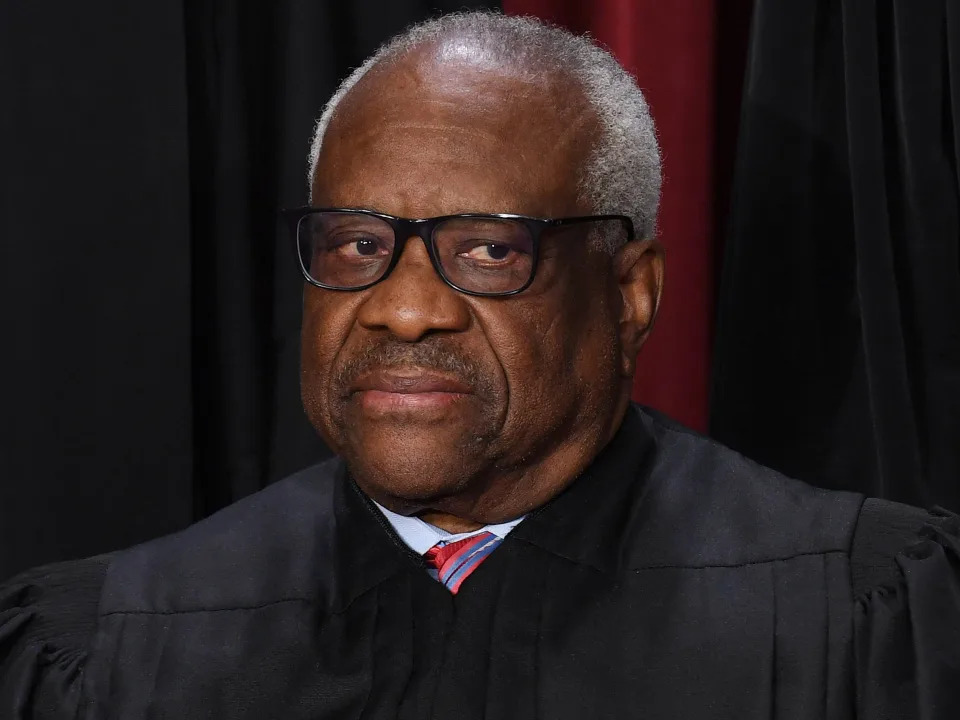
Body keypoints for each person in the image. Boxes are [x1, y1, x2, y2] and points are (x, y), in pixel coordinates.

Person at [2, 11, 958, 719]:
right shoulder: (113, 653)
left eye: (490, 250)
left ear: (630, 295)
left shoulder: (861, 628)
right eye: (356, 244)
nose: (403, 308)